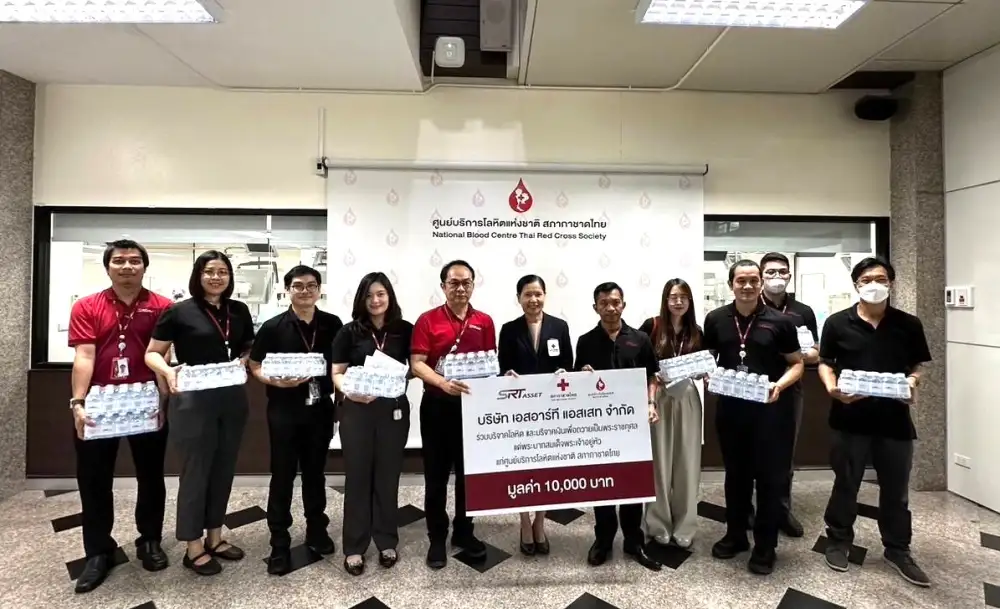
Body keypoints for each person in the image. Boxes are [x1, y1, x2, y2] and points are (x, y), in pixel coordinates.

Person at [818, 256, 931, 587]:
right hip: (849, 418)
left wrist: (913, 383)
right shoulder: (838, 323)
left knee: (896, 490)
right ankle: (838, 540)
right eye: (866, 280)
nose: (874, 285)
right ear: (856, 285)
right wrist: (832, 388)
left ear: (891, 283)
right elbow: (826, 362)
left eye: (881, 279)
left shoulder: (908, 324)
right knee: (846, 483)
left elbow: (917, 366)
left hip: (895, 421)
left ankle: (898, 549)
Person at [67, 240, 172, 593]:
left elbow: (163, 357)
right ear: (107, 267)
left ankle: (150, 540)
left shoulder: (162, 306)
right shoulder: (87, 306)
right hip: (100, 403)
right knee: (94, 479)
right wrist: (78, 403)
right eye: (119, 261)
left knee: (151, 476)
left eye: (134, 261)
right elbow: (84, 356)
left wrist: (164, 402)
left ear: (145, 266)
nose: (127, 266)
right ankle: (99, 552)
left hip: (146, 401)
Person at [145, 250, 255, 576]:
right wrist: (167, 371)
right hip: (193, 398)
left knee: (223, 468)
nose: (216, 277)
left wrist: (245, 359)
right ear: (198, 275)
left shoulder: (238, 310)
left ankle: (215, 537)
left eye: (223, 272)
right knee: (196, 471)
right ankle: (193, 545)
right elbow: (152, 353)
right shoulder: (178, 311)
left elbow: (248, 345)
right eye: (210, 271)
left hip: (231, 397)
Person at [703, 260, 803, 575]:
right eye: (740, 281)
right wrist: (708, 375)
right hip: (731, 412)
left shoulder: (780, 322)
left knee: (771, 481)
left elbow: (797, 363)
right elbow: (709, 358)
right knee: (736, 477)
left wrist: (779, 385)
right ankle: (736, 536)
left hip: (771, 413)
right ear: (730, 284)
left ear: (760, 283)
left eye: (753, 280)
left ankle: (765, 546)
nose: (747, 286)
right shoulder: (716, 319)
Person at [248, 265, 341, 575]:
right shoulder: (273, 327)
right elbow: (255, 365)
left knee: (315, 473)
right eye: (298, 286)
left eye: (311, 285)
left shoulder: (332, 324)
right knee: (283, 474)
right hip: (284, 409)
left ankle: (316, 529)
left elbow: (341, 365)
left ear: (319, 290)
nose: (305, 291)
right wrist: (274, 381)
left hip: (320, 409)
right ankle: (279, 540)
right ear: (287, 289)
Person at [410, 260, 496, 569]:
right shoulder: (428, 320)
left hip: (471, 408)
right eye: (454, 282)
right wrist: (443, 384)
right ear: (443, 286)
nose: (460, 288)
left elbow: (489, 362)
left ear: (473, 284)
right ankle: (437, 536)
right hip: (437, 406)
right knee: (436, 476)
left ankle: (464, 530)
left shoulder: (484, 321)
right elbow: (417, 363)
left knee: (468, 475)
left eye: (466, 282)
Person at [574, 282, 661, 571]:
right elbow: (576, 381)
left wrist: (651, 403)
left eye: (615, 302)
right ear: (595, 307)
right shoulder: (586, 341)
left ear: (623, 304)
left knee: (633, 484)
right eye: (604, 303)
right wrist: (582, 375)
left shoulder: (640, 339)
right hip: (599, 427)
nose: (610, 308)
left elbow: (652, 376)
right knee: (602, 484)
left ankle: (634, 541)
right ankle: (603, 540)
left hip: (632, 425)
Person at [331, 272, 412, 575]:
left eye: (380, 294)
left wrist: (400, 376)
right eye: (369, 296)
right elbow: (337, 372)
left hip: (392, 411)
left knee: (388, 477)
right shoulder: (348, 332)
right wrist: (351, 390)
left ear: (389, 296)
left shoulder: (404, 330)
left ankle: (387, 540)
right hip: (357, 410)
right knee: (358, 478)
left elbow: (415, 366)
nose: (375, 300)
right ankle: (354, 546)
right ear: (361, 300)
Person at [497, 274, 574, 556]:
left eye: (538, 294)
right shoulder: (509, 329)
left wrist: (564, 373)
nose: (533, 300)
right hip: (520, 410)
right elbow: (501, 368)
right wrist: (507, 375)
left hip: (550, 410)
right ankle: (524, 521)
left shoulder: (559, 326)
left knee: (546, 467)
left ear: (545, 295)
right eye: (527, 294)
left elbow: (568, 364)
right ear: (518, 298)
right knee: (522, 467)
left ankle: (540, 521)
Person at [638, 278, 704, 550]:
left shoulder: (697, 332)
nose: (678, 302)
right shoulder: (651, 327)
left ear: (690, 301)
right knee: (660, 463)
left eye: (683, 297)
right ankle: (658, 523)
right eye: (673, 297)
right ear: (665, 300)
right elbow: (640, 365)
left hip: (687, 397)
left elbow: (703, 368)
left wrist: (703, 372)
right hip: (659, 397)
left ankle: (685, 524)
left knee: (688, 461)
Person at [757, 252, 819, 538]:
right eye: (770, 272)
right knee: (752, 452)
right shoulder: (751, 306)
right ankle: (752, 509)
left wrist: (801, 354)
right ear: (761, 276)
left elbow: (816, 351)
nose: (777, 277)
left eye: (782, 271)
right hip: (754, 390)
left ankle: (781, 510)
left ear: (790, 275)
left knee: (784, 453)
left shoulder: (802, 312)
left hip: (790, 389)